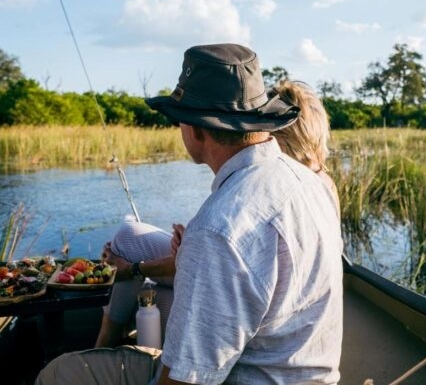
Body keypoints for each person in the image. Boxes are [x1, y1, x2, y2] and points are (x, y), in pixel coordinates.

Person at [38, 43, 343, 385]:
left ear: (196, 129)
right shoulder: (306, 180)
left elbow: (186, 381)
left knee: (59, 373)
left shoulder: (218, 228)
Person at [95, 79, 340, 349]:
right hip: (257, 304)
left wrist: (133, 269)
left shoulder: (271, 185)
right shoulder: (315, 184)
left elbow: (221, 265)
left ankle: (104, 349)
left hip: (255, 324)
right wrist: (188, 246)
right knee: (133, 247)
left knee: (142, 285)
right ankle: (110, 346)